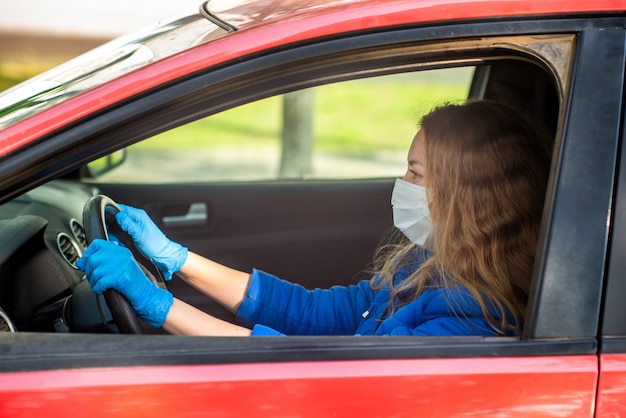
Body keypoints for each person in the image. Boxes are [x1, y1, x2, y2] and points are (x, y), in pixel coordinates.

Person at [77, 100, 553, 337]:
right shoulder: (426, 264)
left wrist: (162, 308)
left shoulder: (473, 321)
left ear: (464, 197)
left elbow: (317, 370)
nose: (402, 183)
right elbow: (314, 315)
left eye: (415, 172)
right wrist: (179, 260)